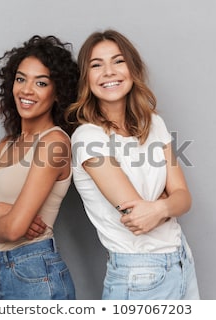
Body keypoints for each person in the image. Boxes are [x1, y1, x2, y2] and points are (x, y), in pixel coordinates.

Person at [66, 29, 200, 299]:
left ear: (132, 68)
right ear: (86, 78)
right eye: (96, 65)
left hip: (181, 260)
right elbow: (137, 218)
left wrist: (160, 206)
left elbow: (184, 199)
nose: (108, 72)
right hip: (139, 274)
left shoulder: (153, 124)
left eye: (118, 61)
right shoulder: (87, 138)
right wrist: (165, 203)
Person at [0, 35, 79, 300]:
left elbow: (13, 230)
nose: (26, 90)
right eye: (21, 79)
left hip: (34, 273)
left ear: (58, 93)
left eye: (41, 83)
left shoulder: (54, 144)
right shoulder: (7, 144)